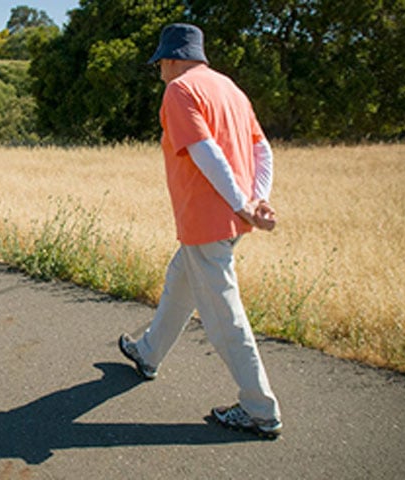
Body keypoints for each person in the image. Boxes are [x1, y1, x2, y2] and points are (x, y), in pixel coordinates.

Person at [118, 23, 282, 438]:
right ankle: (149, 353)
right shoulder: (230, 88)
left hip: (209, 218)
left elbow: (203, 150)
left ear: (173, 57)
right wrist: (256, 199)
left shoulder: (180, 90)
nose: (159, 70)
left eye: (160, 62)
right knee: (181, 279)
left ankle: (259, 409)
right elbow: (262, 148)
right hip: (229, 219)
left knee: (224, 315)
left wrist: (241, 202)